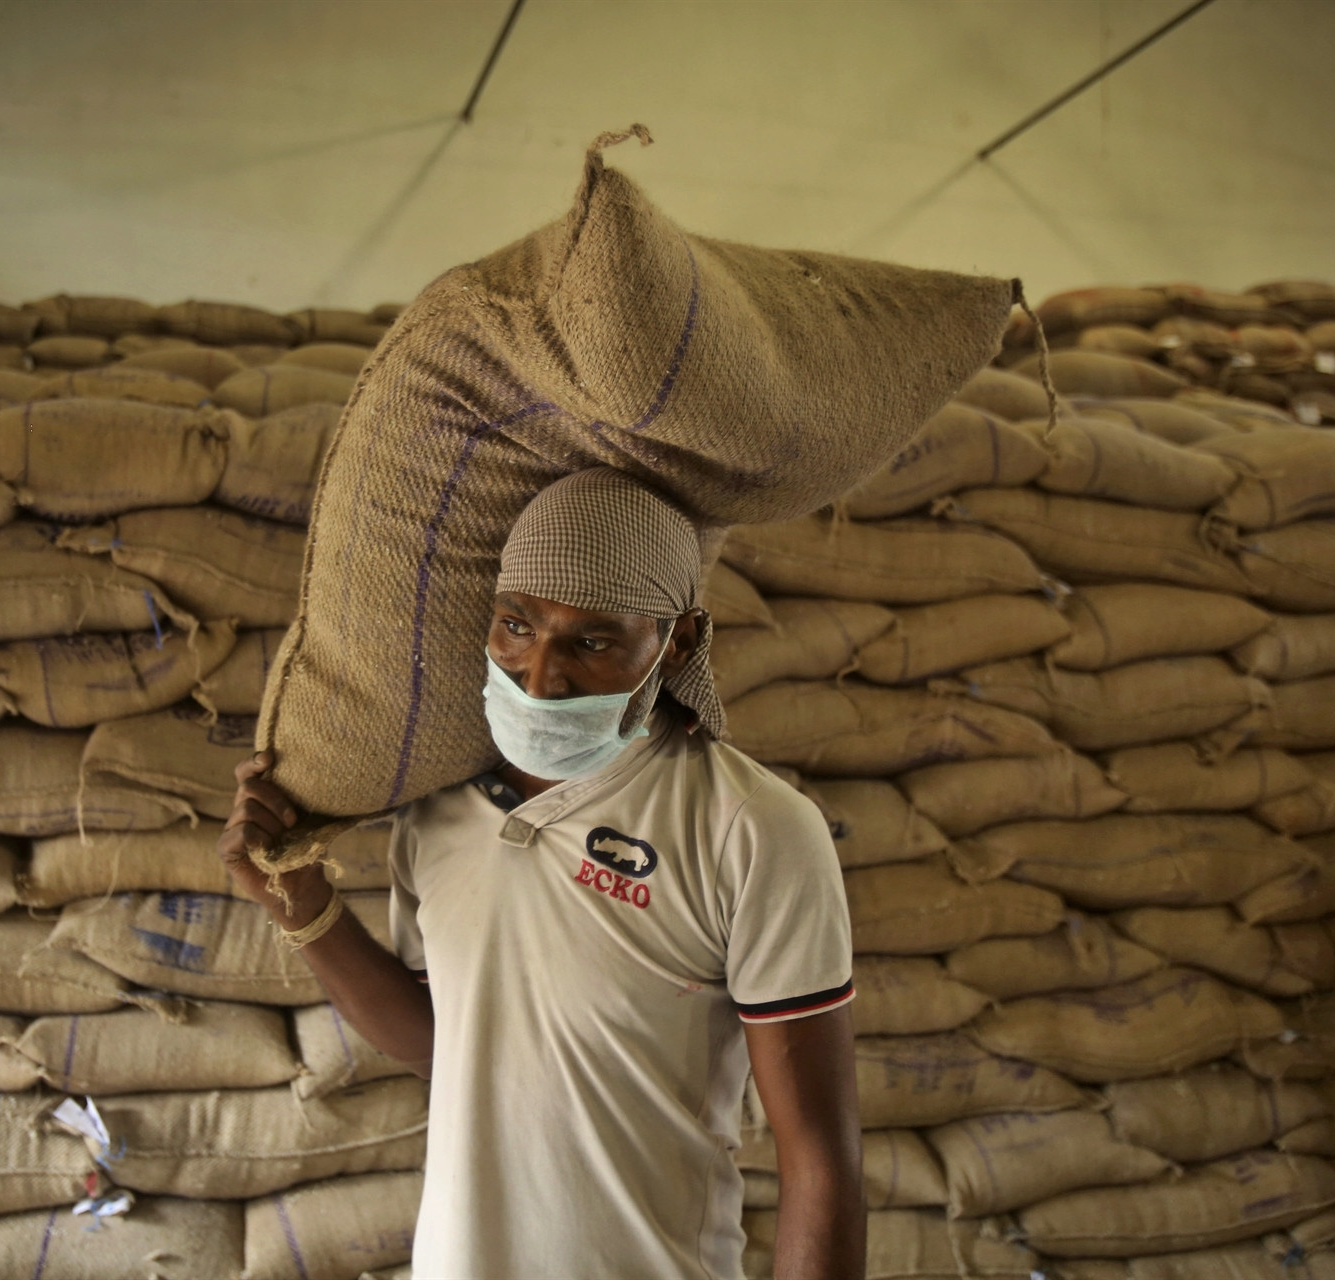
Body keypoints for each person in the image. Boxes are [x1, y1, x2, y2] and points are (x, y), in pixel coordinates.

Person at [220, 468, 862, 1280]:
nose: (540, 675)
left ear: (680, 643)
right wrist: (305, 909)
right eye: (516, 626)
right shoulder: (437, 811)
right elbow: (449, 1043)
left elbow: (820, 1162)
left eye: (592, 642)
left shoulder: (750, 828)